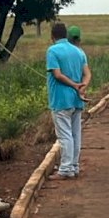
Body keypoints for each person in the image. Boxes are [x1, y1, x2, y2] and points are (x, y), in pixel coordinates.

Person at [46, 21, 91, 178]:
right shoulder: (78, 52)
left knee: (64, 135)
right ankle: (73, 166)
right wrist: (81, 88)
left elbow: (57, 75)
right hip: (77, 100)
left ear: (52, 36)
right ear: (65, 34)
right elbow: (87, 73)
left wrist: (73, 85)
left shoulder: (52, 51)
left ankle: (65, 170)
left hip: (60, 99)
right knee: (75, 134)